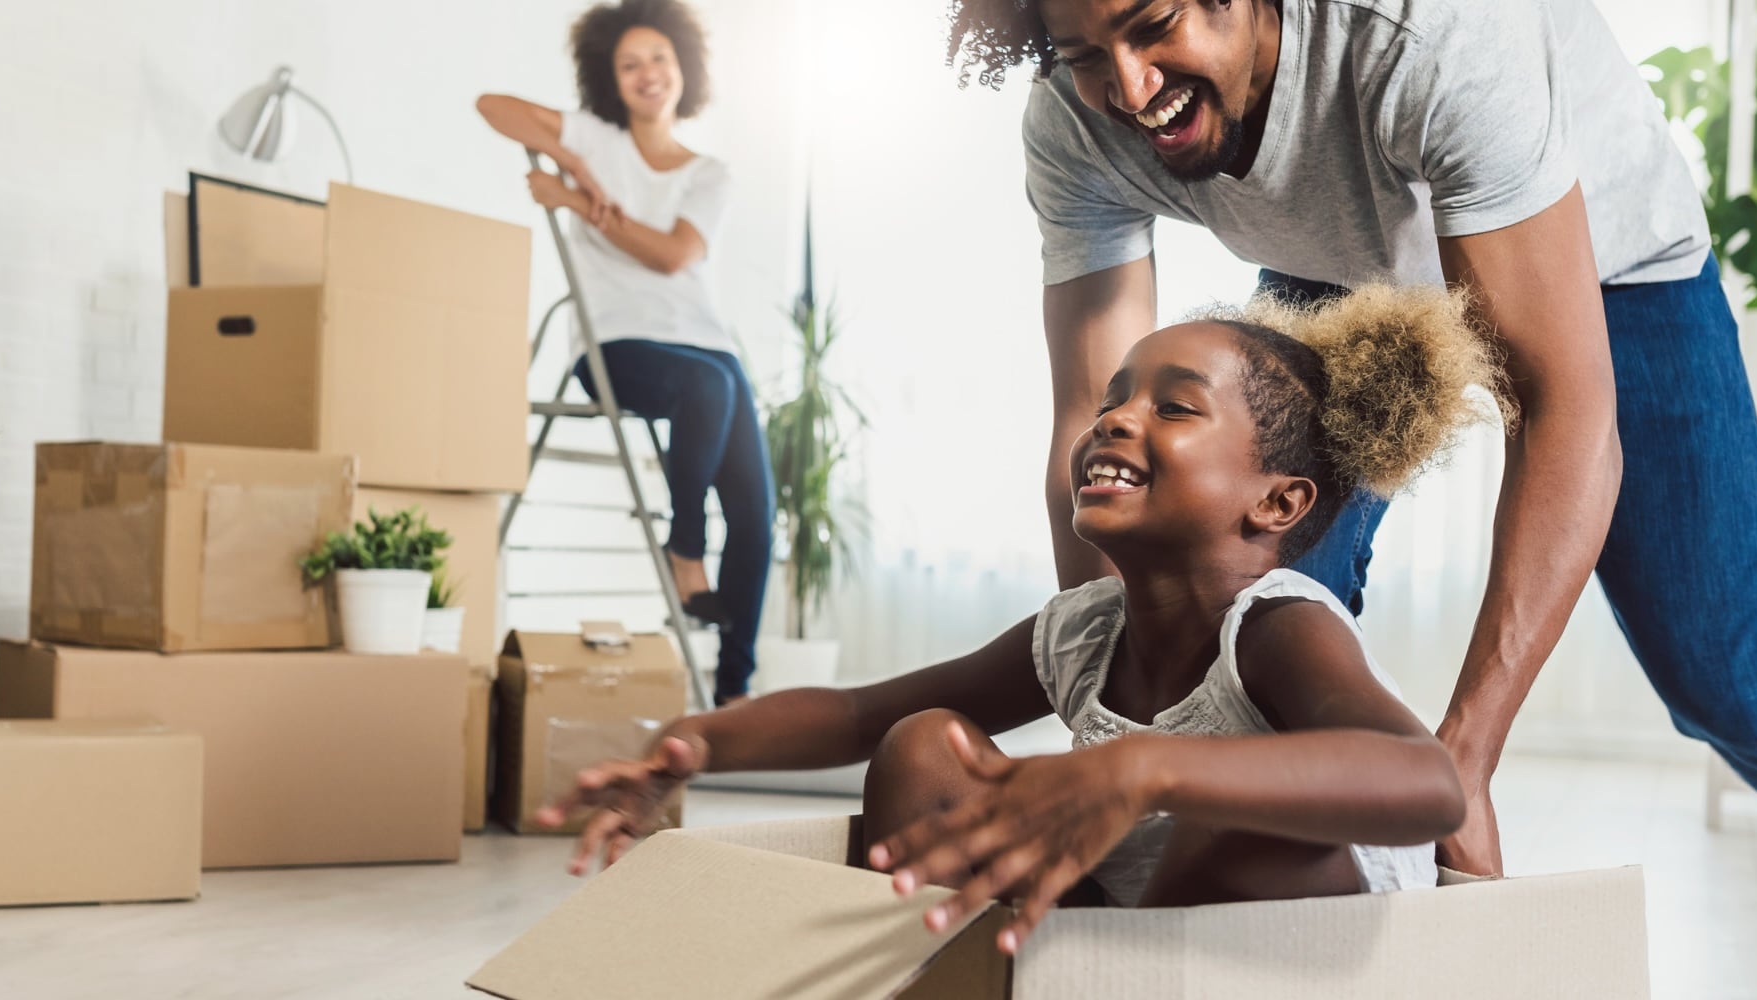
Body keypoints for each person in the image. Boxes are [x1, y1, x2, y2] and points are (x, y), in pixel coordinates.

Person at [946, 0, 1757, 992]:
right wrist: (1111, 715)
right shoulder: (1075, 114)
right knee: (1237, 602)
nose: (1127, 87)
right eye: (1082, 52)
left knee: (1732, 677)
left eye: (1154, 25)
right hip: (1331, 263)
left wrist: (1465, 756)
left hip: (1608, 267)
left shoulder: (1426, 30)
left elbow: (1562, 406)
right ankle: (1257, 947)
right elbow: (1091, 419)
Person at [539, 284, 1501, 952]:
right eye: (1116, 398)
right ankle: (953, 976)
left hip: (1302, 932)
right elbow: (857, 717)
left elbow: (1425, 784)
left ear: (1277, 505)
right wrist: (696, 743)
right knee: (926, 748)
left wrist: (1142, 766)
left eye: (1174, 408)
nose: (1117, 419)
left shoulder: (1280, 625)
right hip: (1129, 915)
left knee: (1225, 825)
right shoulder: (1084, 630)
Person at [477, 0, 772, 705]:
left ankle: (734, 693)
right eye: (629, 63)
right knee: (708, 384)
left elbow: (673, 256)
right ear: (610, 76)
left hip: (705, 352)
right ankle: (685, 548)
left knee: (757, 519)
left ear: (683, 68)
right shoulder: (593, 137)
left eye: (659, 59)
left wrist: (579, 202)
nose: (647, 73)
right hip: (615, 348)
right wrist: (574, 159)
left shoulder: (709, 173)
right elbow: (490, 105)